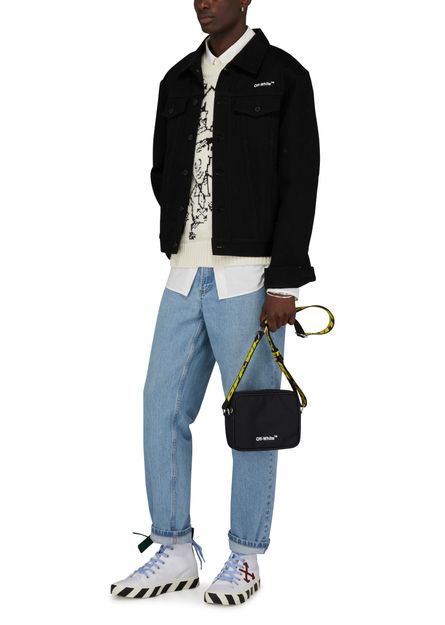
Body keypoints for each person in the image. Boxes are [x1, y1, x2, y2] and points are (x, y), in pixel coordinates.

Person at [111, 0, 320, 606]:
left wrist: (284, 285)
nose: (203, 2)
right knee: (161, 407)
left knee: (252, 417)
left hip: (250, 279)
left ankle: (245, 558)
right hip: (183, 272)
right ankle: (173, 547)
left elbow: (300, 181)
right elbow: (163, 172)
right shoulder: (177, 78)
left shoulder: (284, 75)